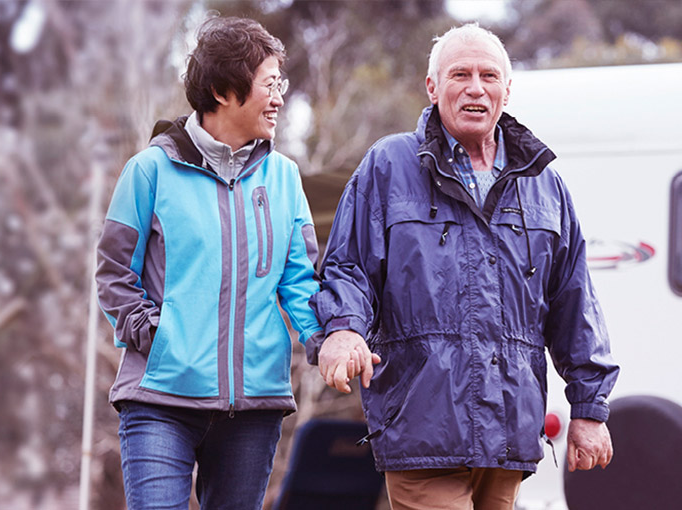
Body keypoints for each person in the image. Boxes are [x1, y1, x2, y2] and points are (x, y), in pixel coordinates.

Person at [308, 23, 620, 510]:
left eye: (489, 76)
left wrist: (589, 407)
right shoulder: (389, 165)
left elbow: (574, 302)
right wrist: (344, 329)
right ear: (432, 88)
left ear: (507, 90)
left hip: (508, 431)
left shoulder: (545, 186)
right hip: (420, 424)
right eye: (460, 74)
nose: (476, 88)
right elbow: (347, 267)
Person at [94, 16, 322, 510]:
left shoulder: (284, 179)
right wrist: (153, 333)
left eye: (280, 84)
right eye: (270, 84)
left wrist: (329, 341)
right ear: (222, 90)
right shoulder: (149, 172)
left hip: (254, 406)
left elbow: (301, 282)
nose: (280, 97)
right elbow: (113, 272)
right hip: (160, 399)